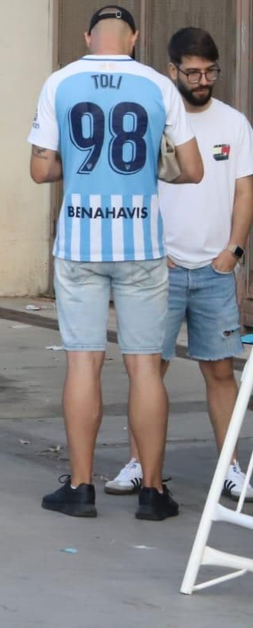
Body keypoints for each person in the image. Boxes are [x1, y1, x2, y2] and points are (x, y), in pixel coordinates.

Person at [31, 6, 203, 521]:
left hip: (80, 242)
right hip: (141, 243)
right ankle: (152, 491)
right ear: (134, 37)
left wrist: (80, 165)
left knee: (83, 361)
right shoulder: (159, 85)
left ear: (88, 36)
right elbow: (193, 168)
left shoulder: (59, 82)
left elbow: (40, 169)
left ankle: (81, 486)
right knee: (145, 366)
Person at [109, 28, 250, 501]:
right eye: (193, 72)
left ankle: (231, 468)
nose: (203, 80)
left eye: (210, 72)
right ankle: (139, 464)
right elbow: (131, 187)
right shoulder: (153, 121)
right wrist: (151, 248)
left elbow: (245, 190)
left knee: (221, 372)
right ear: (172, 70)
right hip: (159, 268)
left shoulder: (234, 124)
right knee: (149, 370)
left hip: (215, 271)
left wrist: (234, 250)